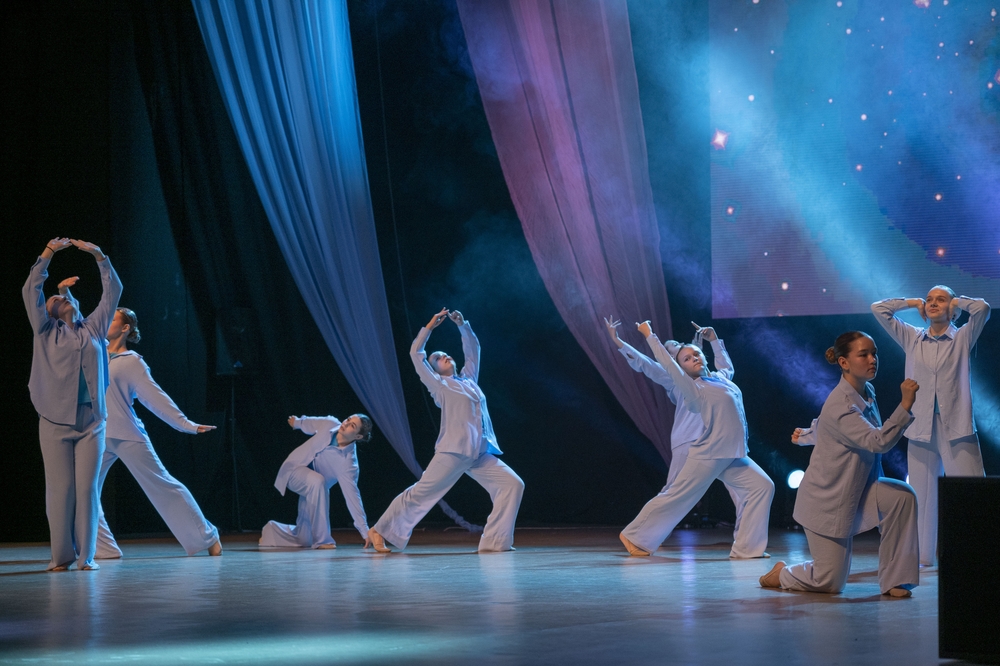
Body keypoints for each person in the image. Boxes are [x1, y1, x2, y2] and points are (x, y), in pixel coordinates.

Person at [760, 331, 919, 597]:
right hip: (828, 500)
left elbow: (831, 428)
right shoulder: (841, 405)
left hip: (860, 489)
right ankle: (783, 574)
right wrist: (905, 406)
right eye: (863, 354)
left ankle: (896, 580)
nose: (872, 359)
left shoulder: (866, 391)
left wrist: (806, 436)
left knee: (902, 497)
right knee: (830, 582)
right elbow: (877, 441)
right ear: (844, 362)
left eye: (874, 353)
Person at [367, 308, 524, 553]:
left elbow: (473, 350)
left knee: (512, 485)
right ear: (434, 369)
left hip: (478, 453)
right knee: (422, 492)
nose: (446, 356)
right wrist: (429, 326)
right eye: (439, 358)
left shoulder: (469, 380)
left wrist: (463, 325)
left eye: (446, 354)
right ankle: (379, 529)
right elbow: (415, 354)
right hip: (453, 451)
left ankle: (495, 541)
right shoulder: (439, 385)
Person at [619, 321, 774, 558]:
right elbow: (667, 365)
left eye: (696, 354)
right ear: (681, 367)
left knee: (762, 486)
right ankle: (635, 536)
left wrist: (714, 340)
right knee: (678, 495)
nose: (694, 359)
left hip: (733, 453)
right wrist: (650, 336)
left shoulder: (722, 379)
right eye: (687, 359)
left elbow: (726, 366)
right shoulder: (692, 388)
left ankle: (747, 548)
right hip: (708, 454)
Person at [82, 305, 222, 558]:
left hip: (127, 434)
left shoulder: (133, 362)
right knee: (84, 489)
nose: (106, 321)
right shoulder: (95, 353)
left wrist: (185, 424)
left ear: (125, 328)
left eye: (112, 319)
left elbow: (156, 398)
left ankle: (207, 536)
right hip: (97, 434)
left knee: (162, 484)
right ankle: (103, 547)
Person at [22, 238, 122, 571]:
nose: (59, 299)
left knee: (87, 490)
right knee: (60, 490)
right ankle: (61, 556)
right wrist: (48, 254)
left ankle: (86, 557)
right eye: (55, 299)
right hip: (55, 421)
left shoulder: (93, 327)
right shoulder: (45, 330)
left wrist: (99, 256)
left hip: (92, 421)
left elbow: (113, 292)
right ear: (49, 311)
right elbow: (31, 290)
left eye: (63, 297)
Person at [871, 288, 990, 566]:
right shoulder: (913, 337)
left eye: (941, 300)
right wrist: (913, 302)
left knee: (971, 491)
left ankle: (979, 555)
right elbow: (879, 309)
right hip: (920, 428)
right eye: (929, 299)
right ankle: (923, 558)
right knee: (921, 497)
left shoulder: (962, 337)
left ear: (953, 309)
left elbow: (983, 308)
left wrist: (957, 301)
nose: (932, 303)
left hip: (957, 426)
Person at [606, 318, 742, 524]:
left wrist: (714, 341)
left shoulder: (712, 377)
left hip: (716, 439)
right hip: (689, 440)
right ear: (670, 358)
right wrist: (618, 341)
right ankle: (647, 529)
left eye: (680, 344)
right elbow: (646, 364)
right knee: (674, 490)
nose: (679, 345)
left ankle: (746, 536)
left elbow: (726, 369)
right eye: (674, 347)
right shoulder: (672, 377)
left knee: (741, 488)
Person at [260, 413, 373, 549]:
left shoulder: (348, 464)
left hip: (314, 491)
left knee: (304, 539)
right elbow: (310, 423)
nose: (346, 423)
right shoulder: (330, 423)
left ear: (358, 436)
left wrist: (365, 531)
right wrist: (297, 422)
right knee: (318, 481)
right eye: (348, 419)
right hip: (293, 470)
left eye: (352, 426)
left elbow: (353, 497)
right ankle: (322, 540)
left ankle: (270, 532)